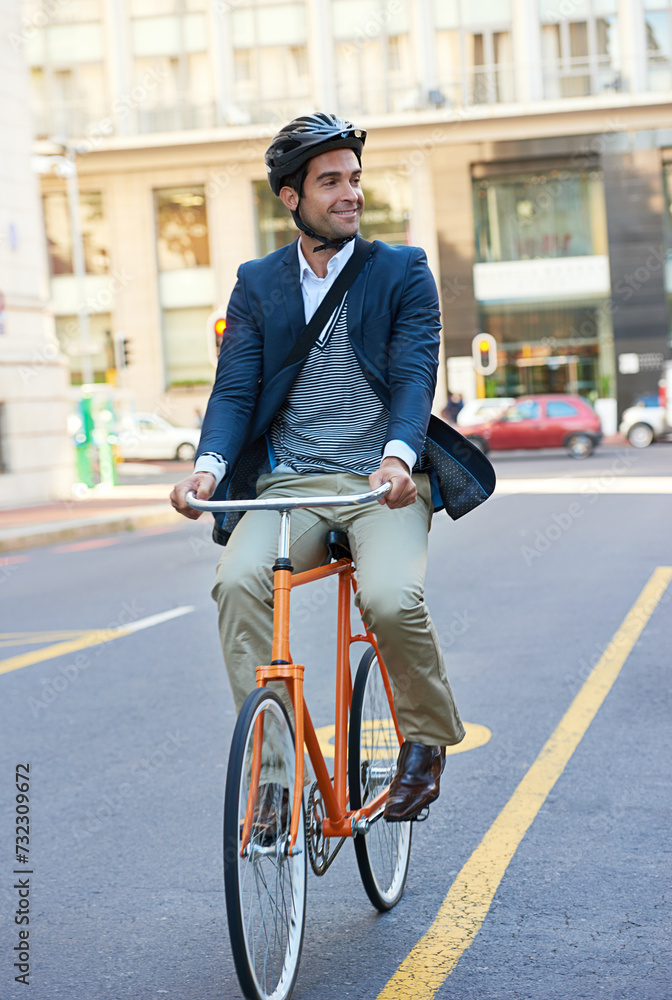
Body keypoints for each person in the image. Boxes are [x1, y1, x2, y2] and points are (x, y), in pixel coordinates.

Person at [170, 113, 495, 822]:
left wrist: (398, 457)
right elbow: (235, 388)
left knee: (388, 600)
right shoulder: (258, 284)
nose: (350, 193)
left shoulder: (402, 271)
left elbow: (414, 376)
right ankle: (279, 778)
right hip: (291, 487)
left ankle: (428, 739)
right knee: (237, 585)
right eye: (331, 182)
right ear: (291, 198)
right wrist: (208, 469)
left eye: (354, 179)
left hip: (382, 484)